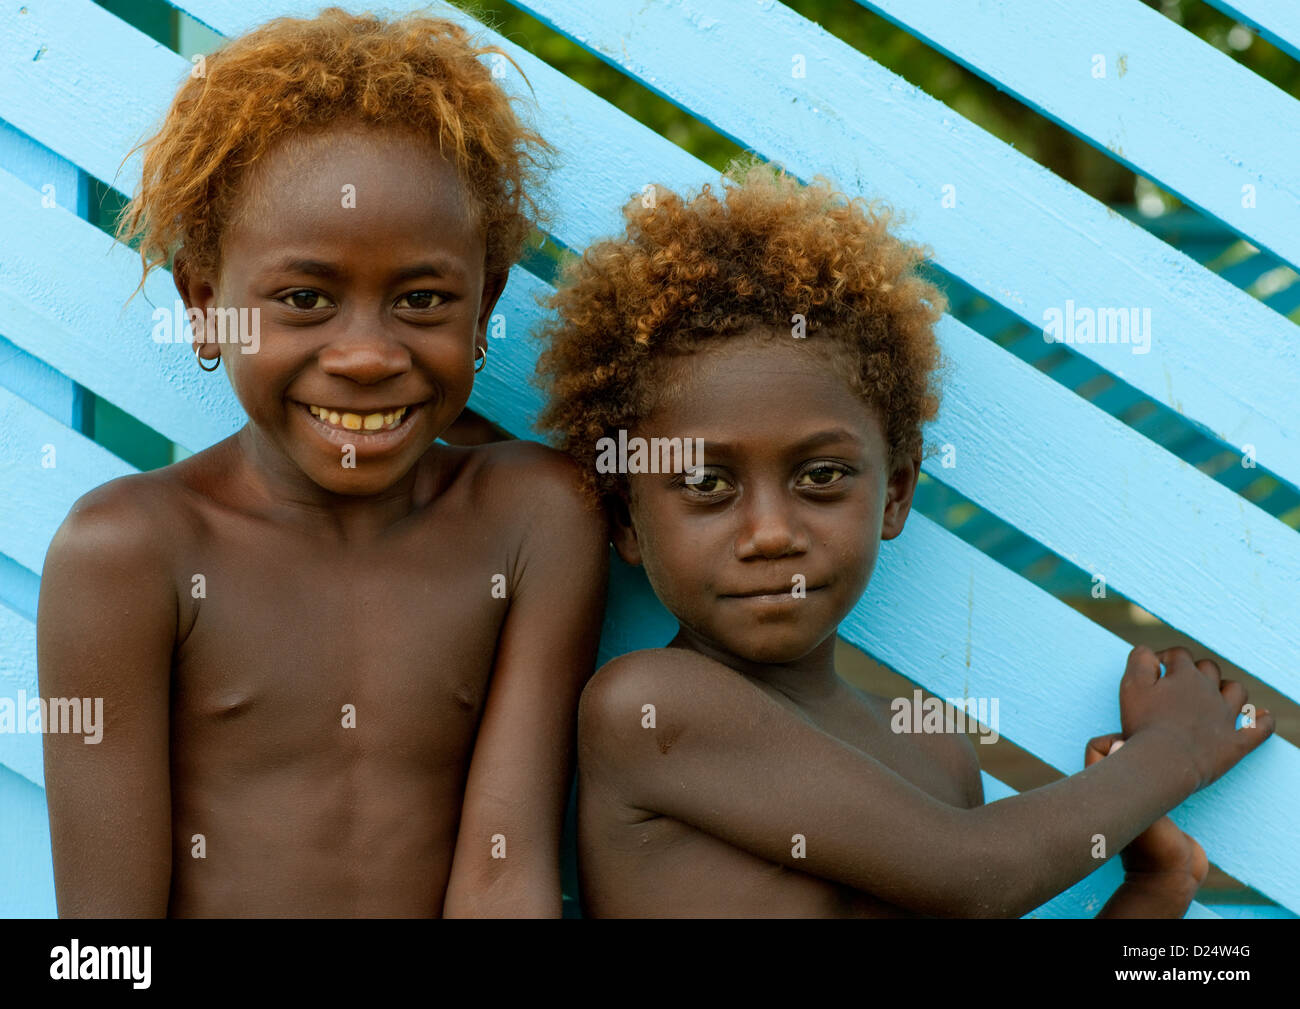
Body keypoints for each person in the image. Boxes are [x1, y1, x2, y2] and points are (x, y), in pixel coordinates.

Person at [534, 161, 1272, 917]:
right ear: (626, 518)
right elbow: (971, 874)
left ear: (895, 493)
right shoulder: (647, 710)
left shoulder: (934, 757)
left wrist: (1153, 889)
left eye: (820, 475)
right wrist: (1170, 753)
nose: (770, 533)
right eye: (707, 484)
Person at [38, 7, 607, 917]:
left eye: (422, 299)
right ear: (205, 303)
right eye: (305, 298)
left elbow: (506, 870)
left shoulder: (535, 519)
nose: (368, 355)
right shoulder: (129, 554)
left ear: (484, 304)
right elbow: (106, 942)